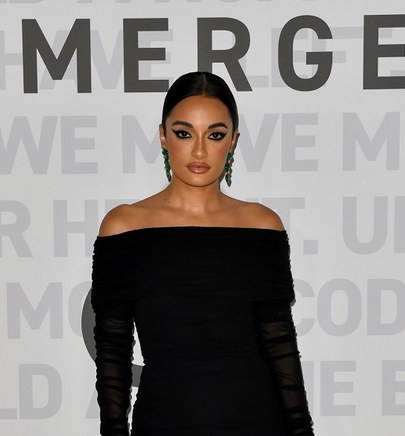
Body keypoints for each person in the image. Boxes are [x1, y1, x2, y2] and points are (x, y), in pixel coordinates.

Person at [85, 71, 314, 435]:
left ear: (233, 141)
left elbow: (280, 344)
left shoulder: (261, 225)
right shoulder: (123, 226)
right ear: (163, 135)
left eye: (215, 135)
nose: (199, 151)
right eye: (184, 133)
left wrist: (301, 431)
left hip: (257, 421)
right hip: (164, 422)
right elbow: (113, 352)